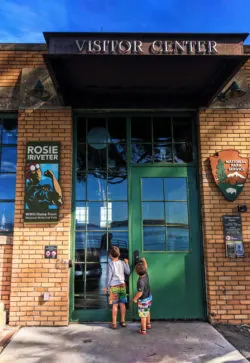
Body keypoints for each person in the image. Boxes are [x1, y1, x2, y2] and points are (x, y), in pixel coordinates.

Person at [103, 246, 130, 329]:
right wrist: (127, 263)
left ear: (110, 255)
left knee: (114, 305)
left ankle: (114, 323)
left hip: (114, 286)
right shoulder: (122, 263)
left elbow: (109, 276)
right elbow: (128, 272)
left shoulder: (110, 264)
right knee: (122, 304)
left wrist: (106, 286)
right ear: (119, 254)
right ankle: (123, 321)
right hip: (122, 285)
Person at [132, 257, 152, 335]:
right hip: (149, 297)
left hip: (143, 300)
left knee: (143, 315)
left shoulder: (140, 281)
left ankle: (143, 330)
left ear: (136, 273)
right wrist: (144, 260)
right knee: (147, 311)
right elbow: (146, 266)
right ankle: (148, 324)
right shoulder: (146, 274)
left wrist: (135, 298)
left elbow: (140, 293)